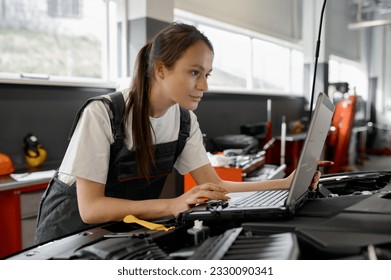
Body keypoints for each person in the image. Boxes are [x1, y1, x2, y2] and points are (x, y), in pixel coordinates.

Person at [35, 22, 331, 244]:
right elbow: (92, 209)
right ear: (162, 70)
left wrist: (284, 184)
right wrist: (174, 204)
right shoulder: (103, 113)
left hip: (118, 234)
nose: (204, 85)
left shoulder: (185, 121)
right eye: (194, 72)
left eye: (207, 74)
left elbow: (215, 187)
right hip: (68, 238)